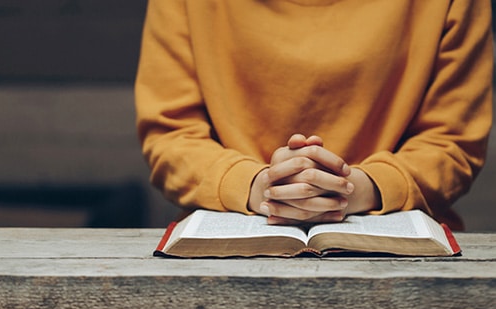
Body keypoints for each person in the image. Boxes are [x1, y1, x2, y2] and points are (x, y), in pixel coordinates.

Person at [135, 0, 493, 231]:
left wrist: (358, 189)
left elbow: (453, 141)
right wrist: (256, 185)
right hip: (230, 243)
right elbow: (171, 134)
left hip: (402, 249)